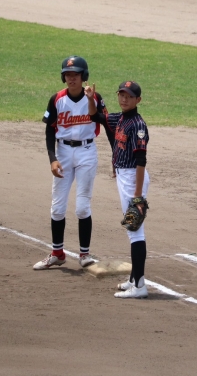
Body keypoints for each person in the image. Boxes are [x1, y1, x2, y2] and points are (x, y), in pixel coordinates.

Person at [33, 56, 107, 270]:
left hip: (86, 152)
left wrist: (116, 156)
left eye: (75, 74)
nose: (71, 78)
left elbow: (106, 122)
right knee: (57, 208)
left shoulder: (95, 97)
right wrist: (52, 159)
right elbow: (49, 130)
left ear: (84, 76)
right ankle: (57, 254)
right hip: (63, 152)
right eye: (67, 74)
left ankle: (85, 254)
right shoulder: (57, 99)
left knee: (82, 207)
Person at [86, 80, 150, 299]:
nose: (124, 99)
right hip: (125, 177)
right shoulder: (120, 118)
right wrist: (90, 99)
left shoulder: (138, 126)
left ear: (138, 100)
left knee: (135, 232)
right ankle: (133, 279)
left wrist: (138, 195)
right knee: (132, 230)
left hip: (133, 178)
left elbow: (141, 161)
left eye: (129, 96)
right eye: (121, 95)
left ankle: (139, 286)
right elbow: (96, 117)